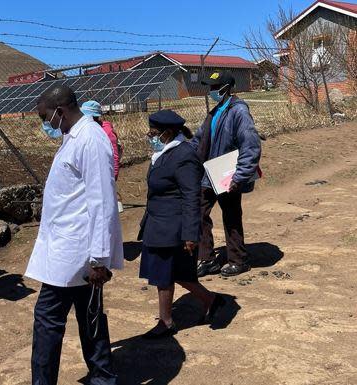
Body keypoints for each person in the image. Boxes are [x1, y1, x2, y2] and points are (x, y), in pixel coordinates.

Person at [25, 85, 123, 385]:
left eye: (45, 117)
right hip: (70, 248)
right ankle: (104, 377)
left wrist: (98, 259)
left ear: (60, 110)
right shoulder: (74, 137)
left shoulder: (91, 141)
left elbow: (102, 201)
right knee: (90, 315)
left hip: (76, 252)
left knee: (48, 319)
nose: (45, 123)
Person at [138, 110, 225, 338]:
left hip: (171, 227)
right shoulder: (166, 152)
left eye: (153, 133)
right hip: (159, 223)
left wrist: (190, 234)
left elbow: (191, 196)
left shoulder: (183, 156)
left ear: (167, 133)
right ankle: (211, 300)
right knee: (177, 273)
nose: (150, 136)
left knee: (164, 275)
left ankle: (166, 322)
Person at [191, 70, 262, 277]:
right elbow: (198, 140)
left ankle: (238, 260)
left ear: (227, 88)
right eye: (210, 88)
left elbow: (251, 145)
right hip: (209, 172)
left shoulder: (239, 111)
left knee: (231, 216)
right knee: (198, 211)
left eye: (215, 87)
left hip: (227, 174)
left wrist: (240, 176)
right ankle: (207, 259)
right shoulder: (214, 112)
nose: (212, 91)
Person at [81, 100, 120, 180]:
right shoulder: (83, 128)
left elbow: (114, 154)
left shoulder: (106, 131)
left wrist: (114, 174)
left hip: (103, 169)